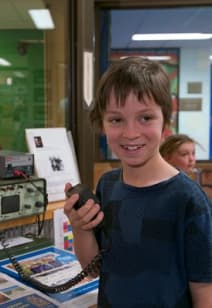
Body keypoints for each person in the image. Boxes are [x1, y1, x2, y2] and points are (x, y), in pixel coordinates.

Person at [64, 57, 212, 307]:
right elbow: (93, 269)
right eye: (116, 120)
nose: (130, 133)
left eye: (145, 118)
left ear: (165, 123)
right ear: (102, 124)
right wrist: (80, 227)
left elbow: (204, 287)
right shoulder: (107, 185)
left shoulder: (188, 199)